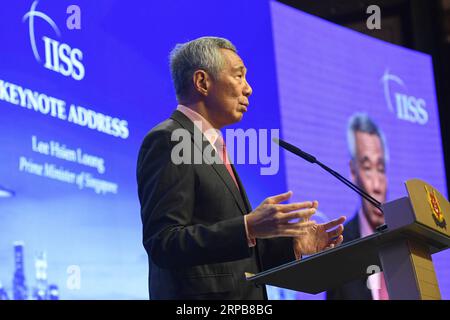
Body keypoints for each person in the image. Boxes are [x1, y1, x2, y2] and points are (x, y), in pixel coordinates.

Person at [137, 36, 345, 300]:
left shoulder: (211, 145)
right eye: (239, 76)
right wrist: (247, 227)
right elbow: (163, 243)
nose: (248, 89)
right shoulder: (169, 139)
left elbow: (231, 259)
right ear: (202, 82)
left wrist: (292, 246)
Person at [326, 113, 389, 300]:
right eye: (368, 168)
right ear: (353, 172)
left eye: (381, 168)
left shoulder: (406, 241)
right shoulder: (340, 250)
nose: (377, 186)